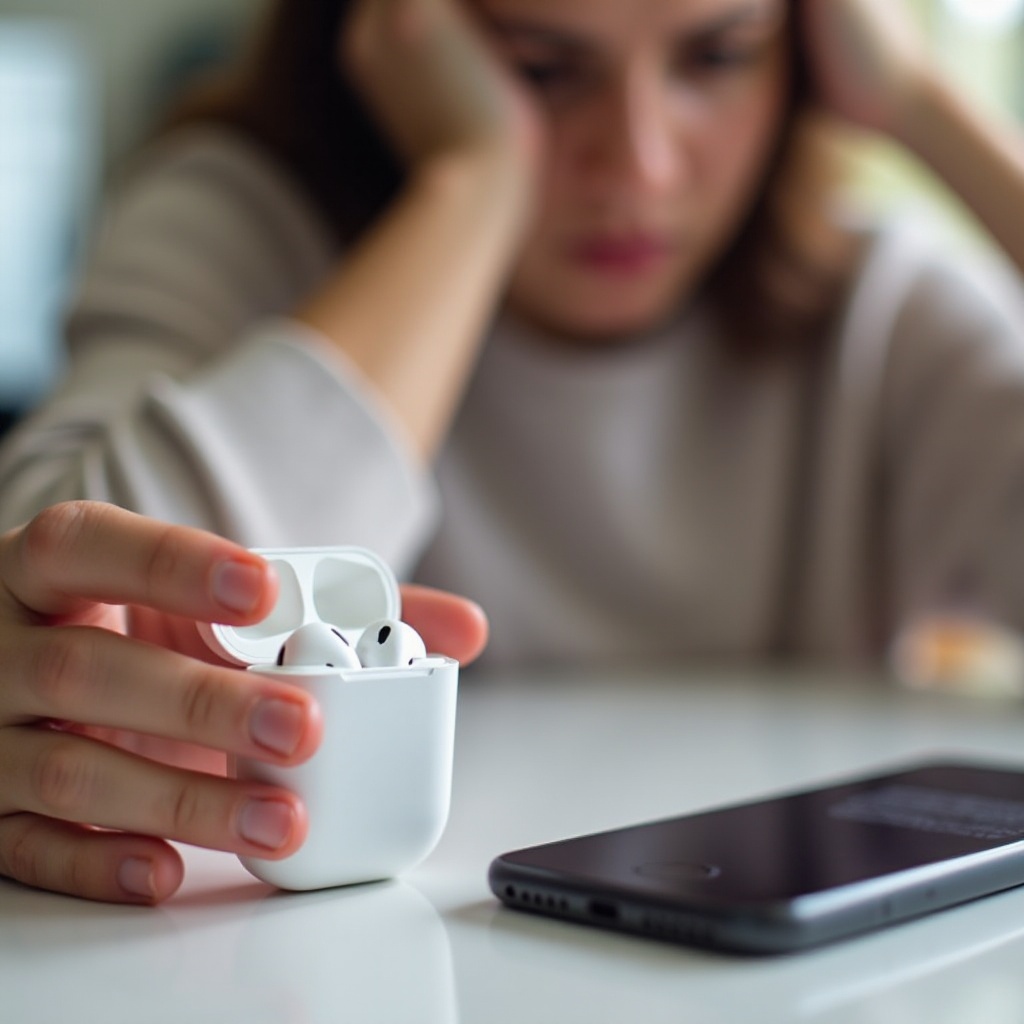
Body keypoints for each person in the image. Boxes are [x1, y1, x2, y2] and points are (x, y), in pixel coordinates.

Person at [3, 0, 1024, 903]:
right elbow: (72, 622)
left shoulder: (875, 312)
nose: (641, 166)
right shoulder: (236, 227)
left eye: (715, 56)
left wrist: (924, 109)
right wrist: (474, 182)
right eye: (543, 67)